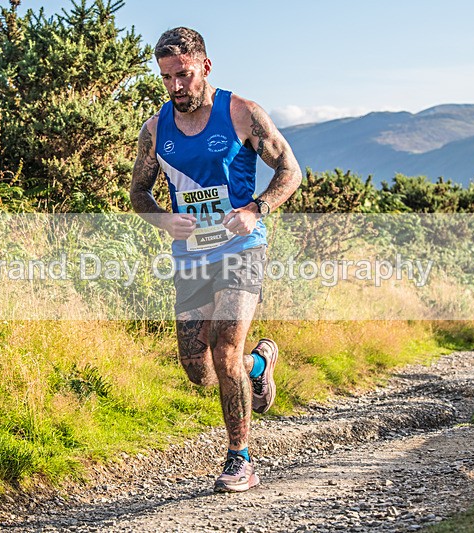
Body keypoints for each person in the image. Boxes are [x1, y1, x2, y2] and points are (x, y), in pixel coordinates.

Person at [129, 27, 302, 492]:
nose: (176, 86)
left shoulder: (242, 113)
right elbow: (139, 192)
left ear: (205, 67)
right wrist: (165, 220)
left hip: (241, 248)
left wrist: (256, 209)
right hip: (191, 255)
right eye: (167, 77)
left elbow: (290, 171)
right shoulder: (156, 129)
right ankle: (259, 365)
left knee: (226, 348)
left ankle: (239, 459)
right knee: (199, 369)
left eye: (183, 75)